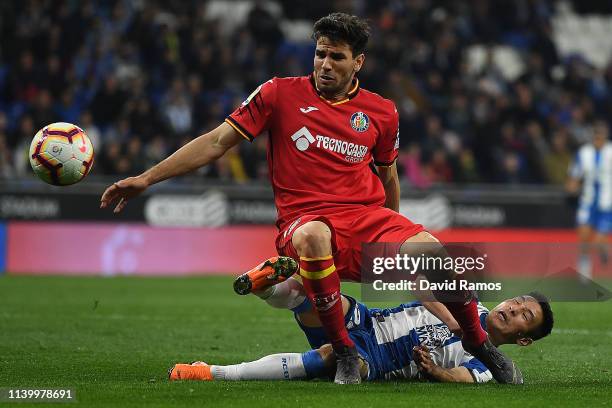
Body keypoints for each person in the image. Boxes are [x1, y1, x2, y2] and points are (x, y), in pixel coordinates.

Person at [101, 13, 520, 384]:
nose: (324, 64)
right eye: (320, 54)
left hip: (366, 219)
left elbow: (388, 175)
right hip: (304, 220)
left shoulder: (382, 112)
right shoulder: (278, 94)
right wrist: (146, 178)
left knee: (434, 250)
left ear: (358, 62)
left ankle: (480, 344)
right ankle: (344, 354)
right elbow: (215, 142)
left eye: (336, 57)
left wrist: (389, 244)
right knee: (315, 238)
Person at [168, 273, 554, 383]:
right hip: (370, 319)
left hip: (381, 358)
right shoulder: (468, 303)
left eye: (525, 316)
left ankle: (213, 372)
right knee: (312, 292)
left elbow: (462, 377)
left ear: (523, 339)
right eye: (517, 302)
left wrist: (435, 371)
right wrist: (454, 319)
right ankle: (265, 283)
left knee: (330, 355)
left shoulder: (490, 363)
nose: (514, 309)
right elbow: (419, 283)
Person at [567, 120, 612, 281]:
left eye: (601, 136)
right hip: (588, 201)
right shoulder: (584, 153)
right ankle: (584, 274)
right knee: (584, 236)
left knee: (599, 240)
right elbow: (574, 174)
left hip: (607, 204)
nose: (598, 139)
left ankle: (603, 250)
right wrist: (572, 186)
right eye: (596, 136)